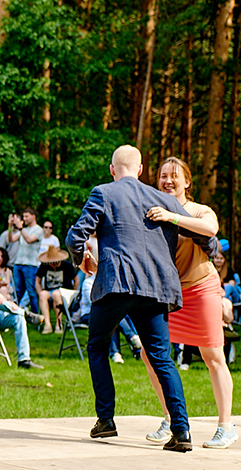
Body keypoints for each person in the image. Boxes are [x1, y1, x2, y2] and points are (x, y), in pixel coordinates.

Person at [65, 144, 216, 452]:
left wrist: (80, 258)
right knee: (163, 359)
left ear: (112, 169)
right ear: (141, 169)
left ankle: (106, 420)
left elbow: (74, 236)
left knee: (97, 347)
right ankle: (182, 431)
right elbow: (202, 235)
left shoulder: (104, 192)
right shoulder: (165, 200)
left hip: (116, 283)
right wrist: (214, 252)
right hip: (157, 288)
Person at [142, 157, 235, 449]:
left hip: (201, 288)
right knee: (150, 355)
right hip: (169, 294)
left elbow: (210, 230)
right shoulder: (152, 209)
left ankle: (226, 426)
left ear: (187, 182)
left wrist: (172, 217)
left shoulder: (197, 209)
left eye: (174, 176)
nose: (168, 181)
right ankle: (170, 418)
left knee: (213, 356)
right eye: (163, 176)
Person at [36, 248, 77, 334]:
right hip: (49, 291)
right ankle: (47, 324)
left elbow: (76, 280)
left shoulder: (67, 265)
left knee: (56, 294)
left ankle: (59, 324)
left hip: (63, 291)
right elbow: (37, 281)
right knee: (43, 295)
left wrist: (73, 293)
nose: (53, 265)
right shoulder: (44, 266)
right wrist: (39, 292)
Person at [10, 207, 43, 312]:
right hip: (18, 263)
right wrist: (10, 226)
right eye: (23, 216)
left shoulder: (38, 229)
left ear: (33, 217)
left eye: (26, 216)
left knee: (31, 292)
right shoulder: (24, 230)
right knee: (18, 291)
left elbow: (29, 239)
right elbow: (11, 239)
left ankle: (35, 315)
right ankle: (18, 314)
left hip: (31, 265)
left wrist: (20, 228)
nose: (24, 218)